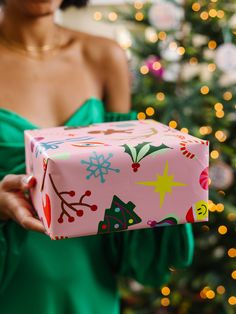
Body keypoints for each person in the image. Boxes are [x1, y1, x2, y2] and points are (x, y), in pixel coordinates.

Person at [0, 1, 194, 313]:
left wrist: (175, 179)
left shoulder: (105, 56)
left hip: (91, 278)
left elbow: (129, 171)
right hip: (11, 276)